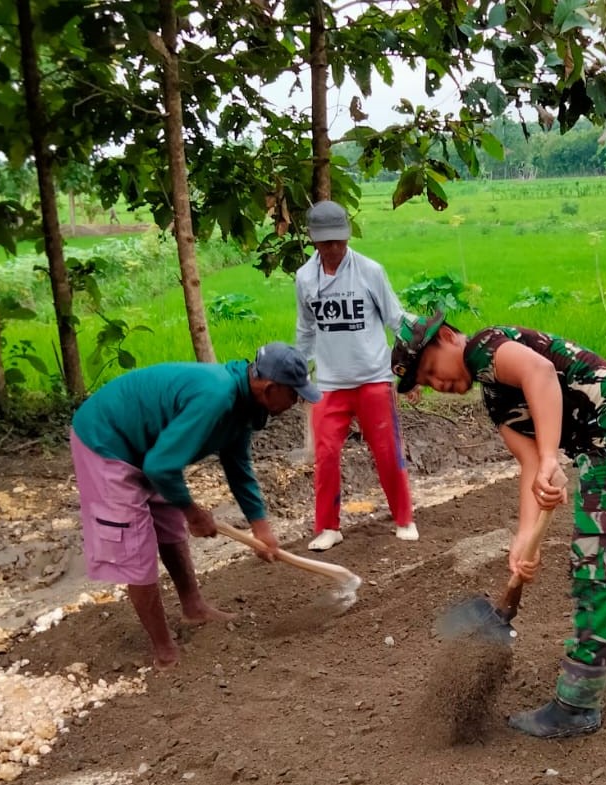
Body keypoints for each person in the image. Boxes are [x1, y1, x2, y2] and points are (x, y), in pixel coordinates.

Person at [391, 314, 606, 739]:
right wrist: (524, 542)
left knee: (598, 565)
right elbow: (527, 466)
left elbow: (540, 373)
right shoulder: (495, 398)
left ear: (448, 337)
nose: (437, 383)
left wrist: (550, 459)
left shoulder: (484, 346)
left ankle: (577, 705)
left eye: (431, 370)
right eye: (426, 384)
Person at [69, 343, 320, 669]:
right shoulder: (215, 396)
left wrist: (261, 526)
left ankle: (194, 609)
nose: (297, 402)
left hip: (150, 447)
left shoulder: (245, 404)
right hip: (106, 441)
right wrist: (193, 512)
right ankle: (164, 650)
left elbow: (238, 465)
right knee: (135, 547)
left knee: (169, 525)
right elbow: (160, 467)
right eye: (295, 395)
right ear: (271, 388)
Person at [295, 200, 418, 550]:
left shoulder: (370, 271)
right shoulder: (304, 278)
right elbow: (305, 331)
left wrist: (416, 365)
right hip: (330, 383)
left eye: (339, 241)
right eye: (326, 242)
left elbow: (396, 319)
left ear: (347, 237)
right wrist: (299, 374)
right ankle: (328, 527)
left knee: (386, 450)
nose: (334, 248)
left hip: (373, 379)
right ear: (314, 241)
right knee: (326, 454)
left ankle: (404, 518)